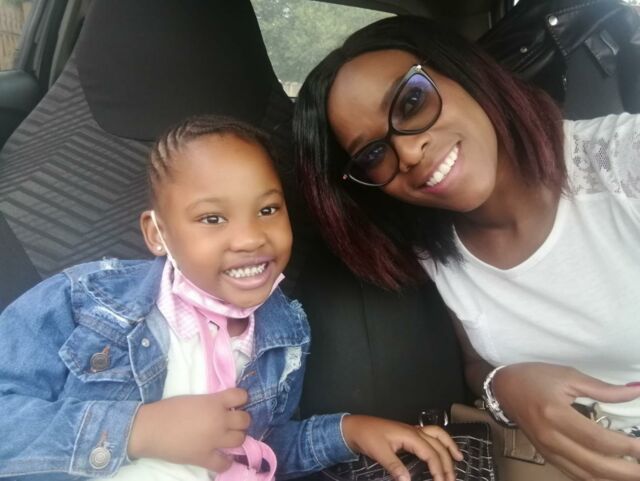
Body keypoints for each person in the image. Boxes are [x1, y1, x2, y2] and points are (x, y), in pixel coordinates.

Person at [0, 115, 463, 481]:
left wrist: (350, 431)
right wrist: (137, 430)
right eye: (212, 219)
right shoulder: (86, 302)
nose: (250, 238)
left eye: (268, 209)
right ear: (156, 233)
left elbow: (259, 447)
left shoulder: (283, 332)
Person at [293, 15, 640, 481]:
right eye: (373, 154)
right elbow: (478, 362)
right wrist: (505, 387)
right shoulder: (429, 246)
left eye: (411, 102)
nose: (408, 153)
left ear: (464, 71)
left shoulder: (622, 161)